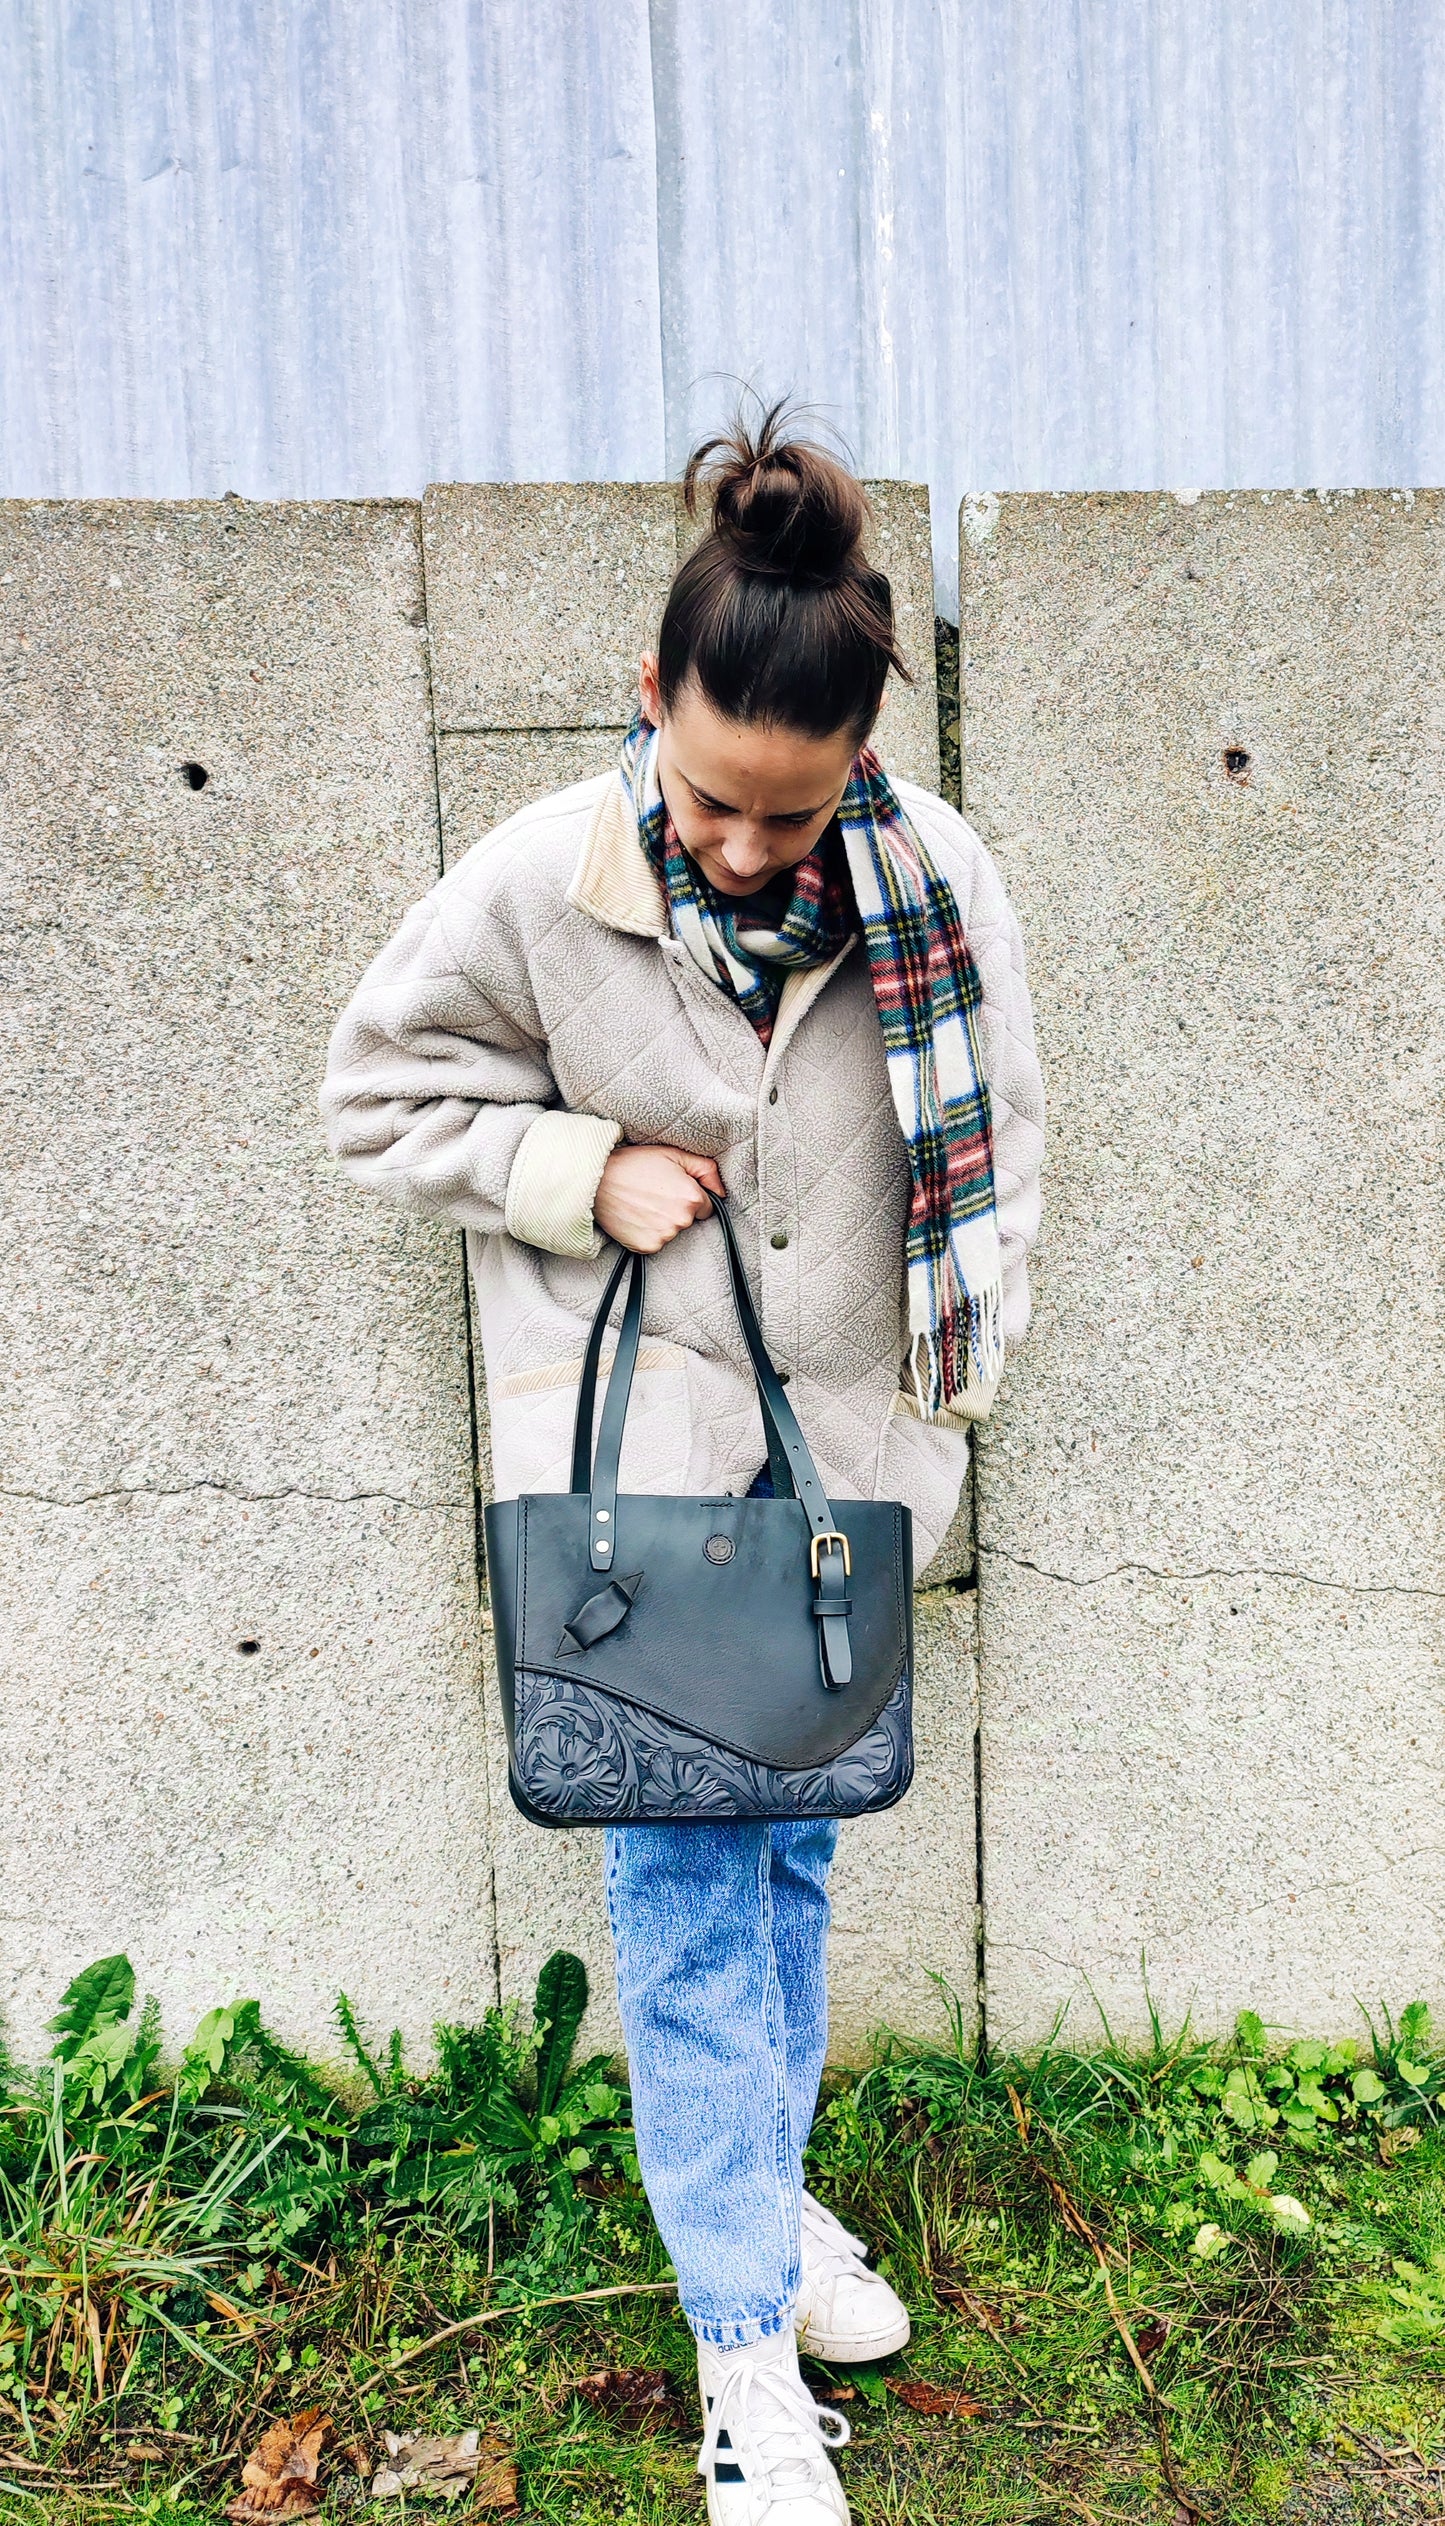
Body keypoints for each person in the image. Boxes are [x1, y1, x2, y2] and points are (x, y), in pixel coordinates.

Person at [321, 404, 1044, 2525]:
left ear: (861, 760)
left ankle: (763, 2208)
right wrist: (573, 1164)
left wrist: (946, 1405)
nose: (749, 849)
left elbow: (1014, 1152)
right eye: (719, 800)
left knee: (796, 1855)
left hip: (837, 1481)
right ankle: (740, 2340)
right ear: (653, 700)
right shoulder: (541, 880)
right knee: (680, 1888)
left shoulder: (942, 882)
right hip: (638, 1491)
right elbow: (378, 1095)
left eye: (794, 812)